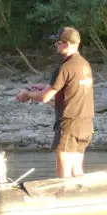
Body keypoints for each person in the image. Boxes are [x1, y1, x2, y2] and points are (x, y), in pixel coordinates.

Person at [16, 27, 94, 178]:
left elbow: (45, 97)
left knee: (64, 173)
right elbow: (66, 86)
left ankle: (66, 197)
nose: (56, 46)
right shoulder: (84, 64)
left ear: (66, 44)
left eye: (57, 42)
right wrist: (40, 87)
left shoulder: (65, 67)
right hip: (85, 124)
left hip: (69, 124)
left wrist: (27, 94)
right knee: (77, 171)